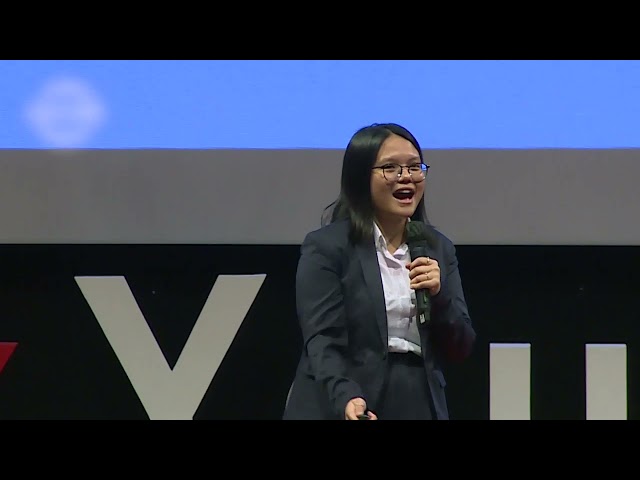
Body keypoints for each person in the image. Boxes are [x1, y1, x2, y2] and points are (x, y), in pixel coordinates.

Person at [282, 122, 476, 420]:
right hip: (344, 397)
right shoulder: (328, 247)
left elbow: (460, 346)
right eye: (390, 168)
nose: (406, 177)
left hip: (416, 401)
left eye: (414, 167)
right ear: (361, 177)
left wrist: (439, 297)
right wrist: (346, 398)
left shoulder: (438, 248)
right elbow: (323, 339)